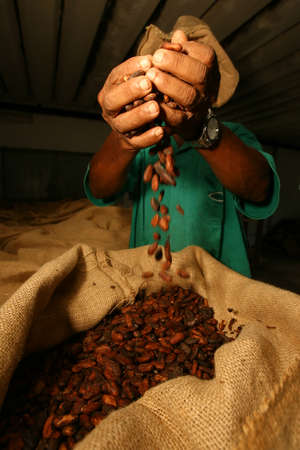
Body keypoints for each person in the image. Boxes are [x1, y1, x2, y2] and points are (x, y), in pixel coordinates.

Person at [84, 16, 280, 277]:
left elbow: (260, 190)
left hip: (224, 293)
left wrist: (201, 129)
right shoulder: (145, 143)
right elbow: (99, 188)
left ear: (210, 93)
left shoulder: (232, 136)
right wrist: (124, 138)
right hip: (152, 285)